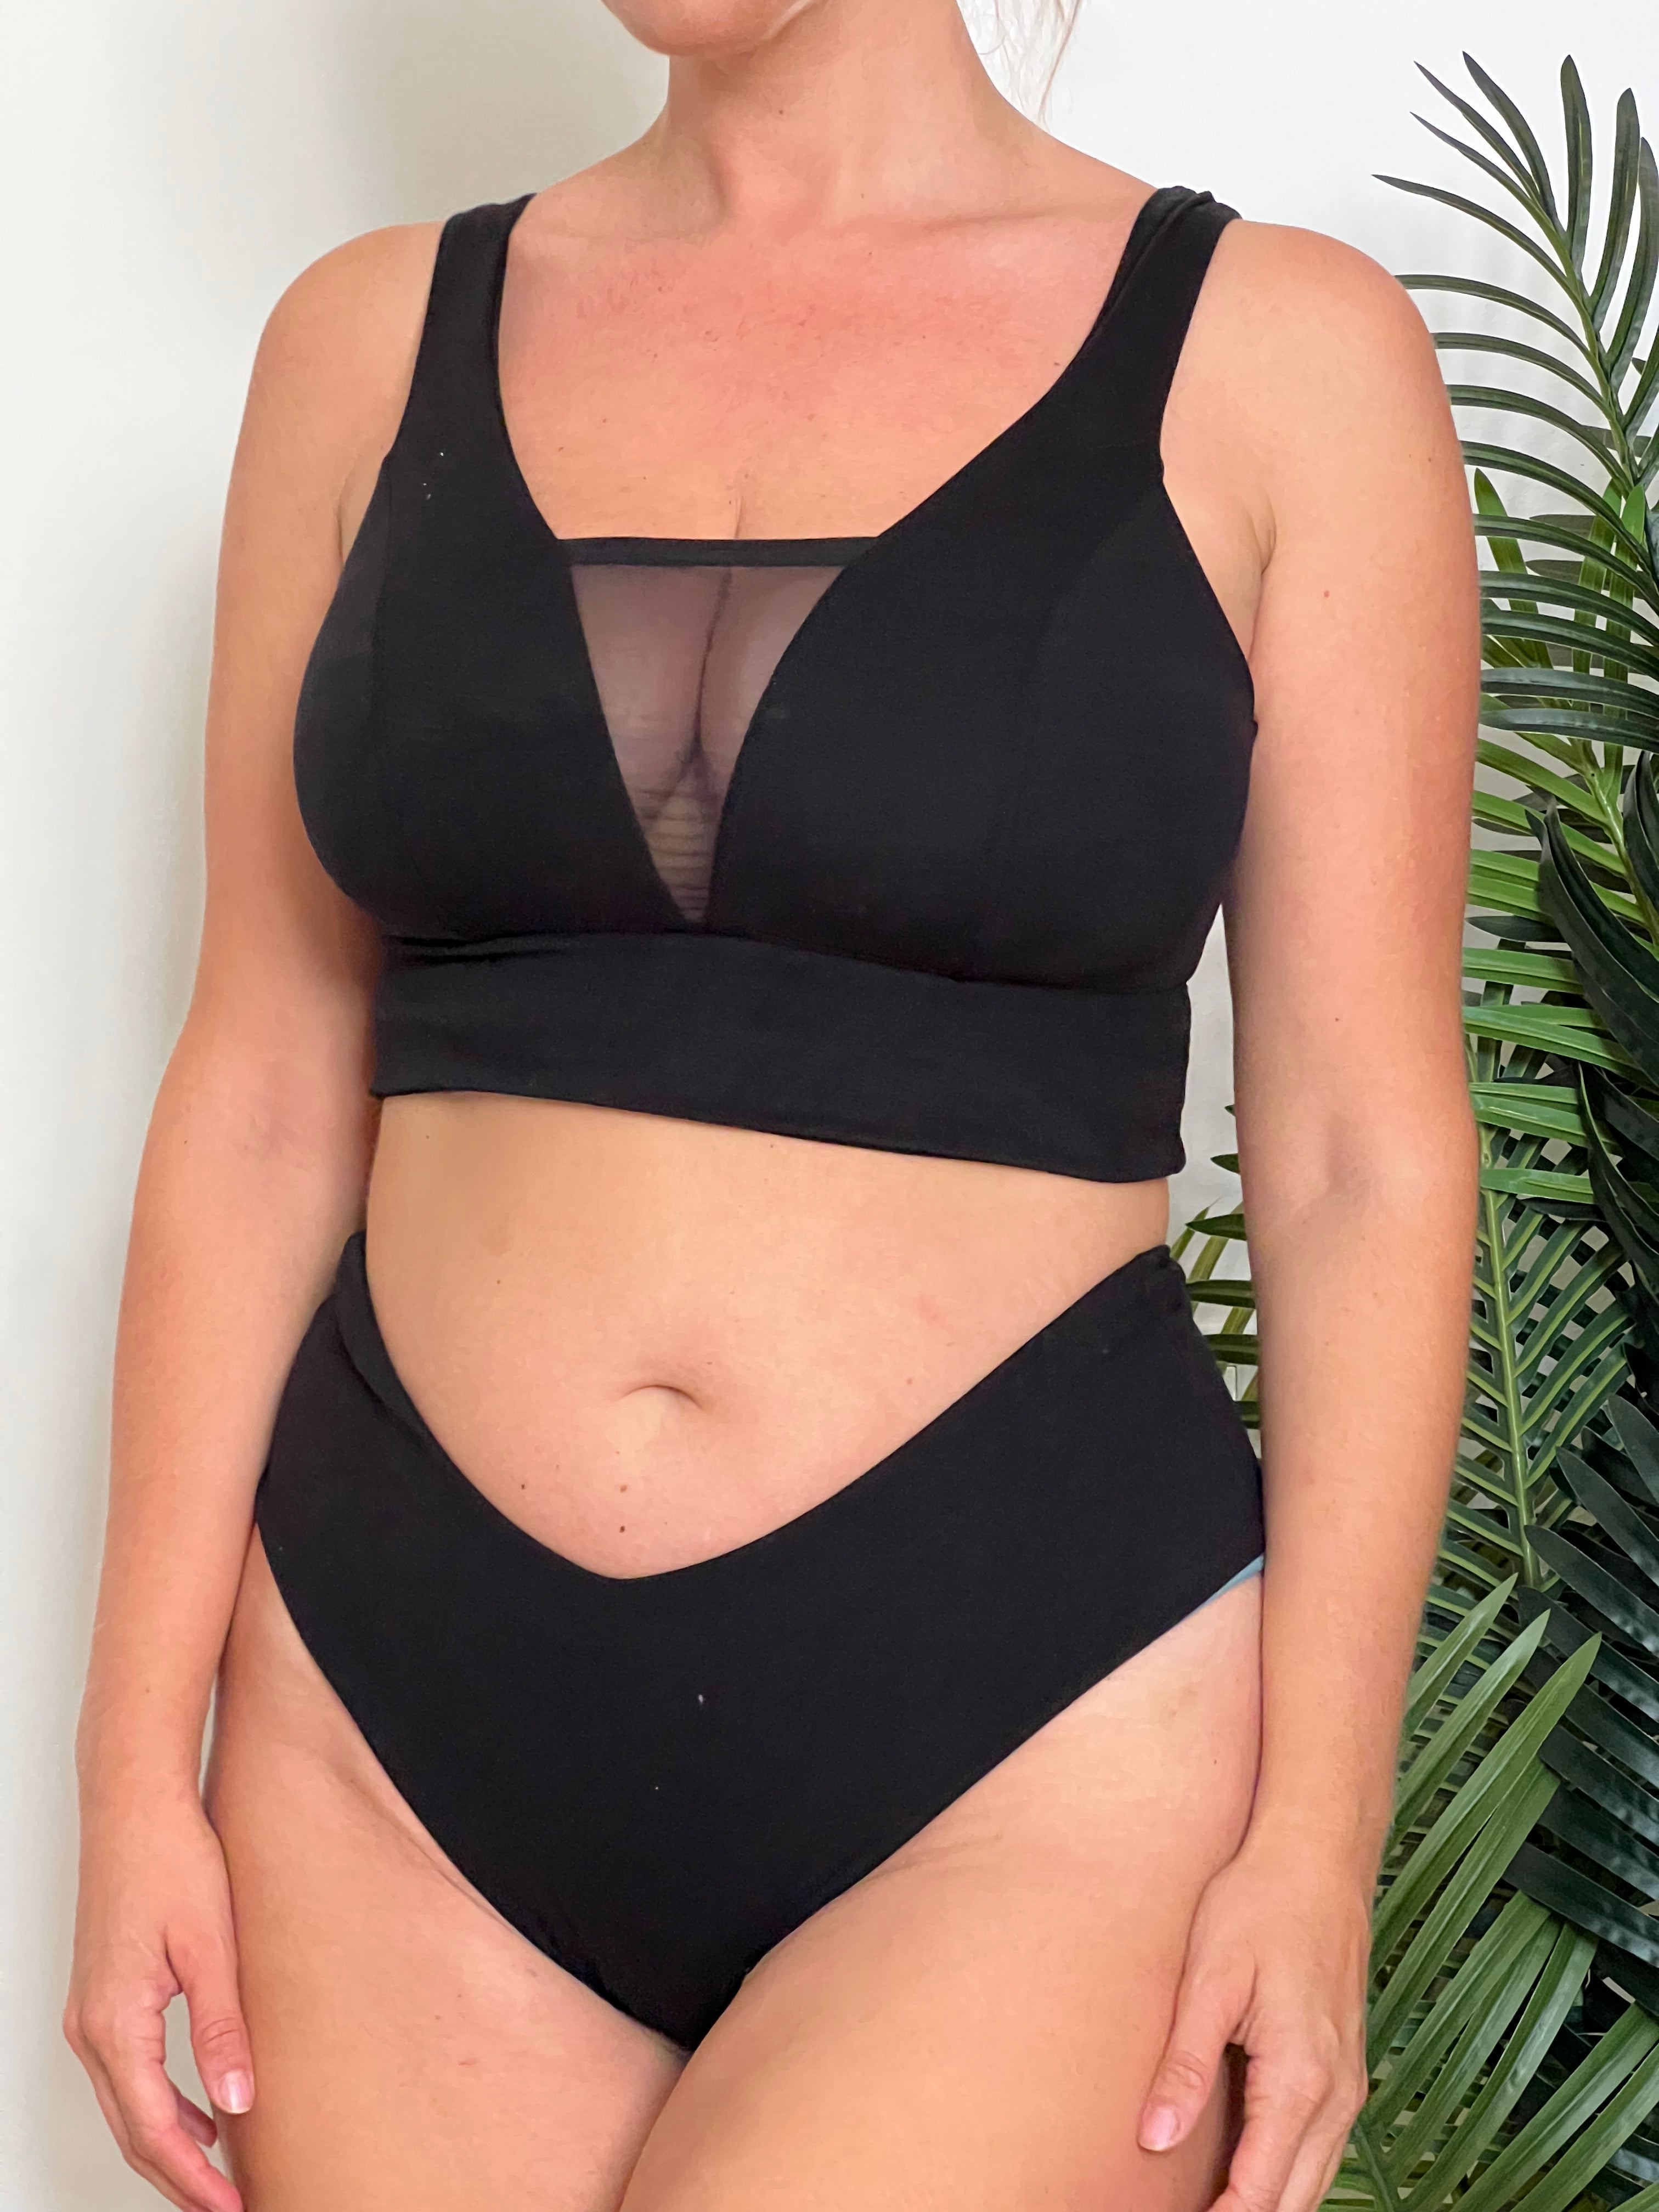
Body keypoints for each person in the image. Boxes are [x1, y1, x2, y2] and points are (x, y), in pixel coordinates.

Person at [63, 1, 1480, 2206]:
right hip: (392, 1719)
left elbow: (1359, 1161)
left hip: (1029, 1717)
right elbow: (255, 1092)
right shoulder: (363, 342)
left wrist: (1320, 1839)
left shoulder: (1283, 355)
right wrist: (129, 1766)